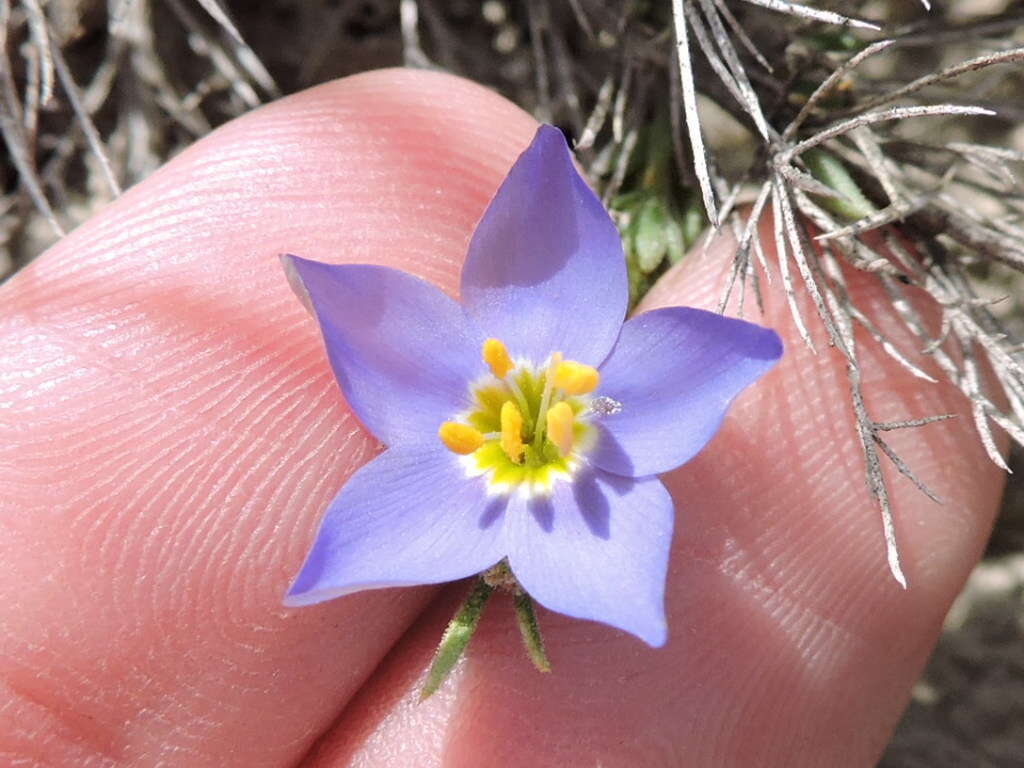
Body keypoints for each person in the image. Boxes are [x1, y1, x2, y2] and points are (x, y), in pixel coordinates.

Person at [0, 69, 1003, 767]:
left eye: (531, 425)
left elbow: (730, 356)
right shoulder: (424, 394)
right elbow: (357, 422)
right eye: (519, 427)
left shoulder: (655, 388)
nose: (525, 423)